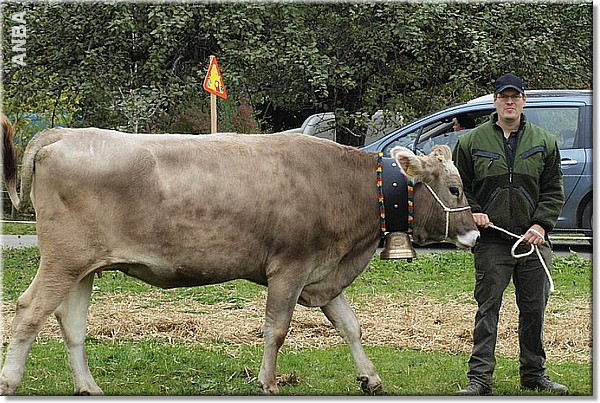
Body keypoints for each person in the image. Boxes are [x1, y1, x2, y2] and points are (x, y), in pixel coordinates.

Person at [452, 73, 567, 396]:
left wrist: (541, 225)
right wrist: (473, 211)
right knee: (487, 310)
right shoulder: (470, 142)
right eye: (504, 97)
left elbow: (553, 190)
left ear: (524, 101)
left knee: (533, 311)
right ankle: (479, 378)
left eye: (515, 97)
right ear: (495, 101)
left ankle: (534, 374)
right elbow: (461, 187)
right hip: (492, 242)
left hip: (532, 243)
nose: (510, 102)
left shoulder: (545, 141)